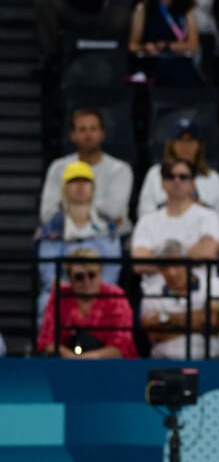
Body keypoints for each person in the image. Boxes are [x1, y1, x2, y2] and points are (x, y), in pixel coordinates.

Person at [35, 161, 122, 323]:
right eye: (74, 182)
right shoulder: (51, 228)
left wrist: (91, 289)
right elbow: (48, 273)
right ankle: (50, 348)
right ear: (65, 188)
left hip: (99, 290)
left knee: (116, 302)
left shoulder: (107, 227)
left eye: (85, 181)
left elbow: (112, 269)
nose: (80, 187)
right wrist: (75, 289)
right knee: (46, 302)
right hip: (62, 291)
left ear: (93, 187)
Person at [131, 159, 219, 290]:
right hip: (155, 296)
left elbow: (207, 252)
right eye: (170, 176)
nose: (176, 181)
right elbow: (140, 264)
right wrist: (191, 254)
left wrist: (158, 255)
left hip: (200, 292)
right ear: (162, 183)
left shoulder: (209, 217)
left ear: (193, 183)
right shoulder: (146, 221)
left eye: (183, 177)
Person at [40, 107, 133, 231]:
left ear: (102, 134)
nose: (88, 135)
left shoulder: (120, 169)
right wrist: (98, 209)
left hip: (112, 238)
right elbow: (47, 214)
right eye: (82, 130)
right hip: (66, 237)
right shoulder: (58, 168)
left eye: (93, 129)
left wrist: (69, 205)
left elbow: (115, 211)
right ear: (73, 135)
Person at [37, 248, 137, 359]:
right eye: (79, 277)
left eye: (91, 275)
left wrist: (87, 359)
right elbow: (46, 341)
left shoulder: (116, 296)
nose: (86, 282)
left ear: (100, 274)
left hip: (109, 366)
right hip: (65, 364)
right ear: (70, 278)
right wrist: (70, 357)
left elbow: (121, 346)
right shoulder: (59, 295)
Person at [139, 240, 219, 359]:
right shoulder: (151, 292)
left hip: (211, 363)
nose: (171, 273)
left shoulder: (214, 284)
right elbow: (154, 335)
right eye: (165, 268)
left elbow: (212, 321)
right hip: (164, 364)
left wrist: (165, 318)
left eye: (176, 265)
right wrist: (198, 324)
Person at [137, 118, 219, 228]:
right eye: (180, 140)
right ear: (172, 144)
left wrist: (198, 208)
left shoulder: (213, 178)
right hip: (162, 236)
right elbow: (144, 216)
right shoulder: (155, 174)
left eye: (190, 140)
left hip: (201, 235)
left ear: (199, 145)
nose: (185, 146)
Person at [129, 0, 203, 86]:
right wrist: (145, 47)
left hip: (181, 63)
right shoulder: (143, 9)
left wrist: (166, 46)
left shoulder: (186, 9)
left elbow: (193, 45)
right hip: (153, 65)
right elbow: (132, 45)